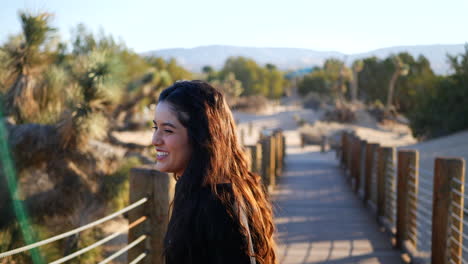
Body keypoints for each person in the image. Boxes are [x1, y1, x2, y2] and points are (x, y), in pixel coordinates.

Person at [151, 80, 277, 264]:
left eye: (168, 130)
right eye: (155, 127)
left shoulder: (217, 203)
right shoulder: (196, 190)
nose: (155, 139)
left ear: (201, 137)